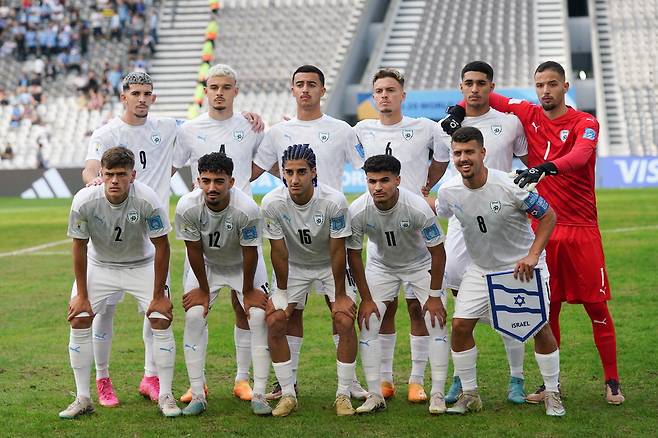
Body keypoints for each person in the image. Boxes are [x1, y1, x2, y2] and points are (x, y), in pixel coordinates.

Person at [442, 61, 624, 405]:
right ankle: (548, 386)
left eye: (552, 84)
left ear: (565, 86)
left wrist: (545, 167)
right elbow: (482, 95)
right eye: (540, 85)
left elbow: (582, 155)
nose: (545, 91)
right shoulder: (528, 113)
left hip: (581, 227)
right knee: (545, 311)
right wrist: (455, 109)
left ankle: (612, 380)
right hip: (540, 229)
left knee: (596, 306)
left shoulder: (586, 122)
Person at [253, 64, 366, 400]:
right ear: (292, 90)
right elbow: (256, 167)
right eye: (299, 84)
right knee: (291, 311)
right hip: (293, 232)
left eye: (312, 84)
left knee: (341, 310)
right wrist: (289, 182)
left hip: (331, 229)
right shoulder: (276, 133)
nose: (305, 90)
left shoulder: (342, 129)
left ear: (322, 90)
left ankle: (349, 382)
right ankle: (288, 381)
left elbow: (367, 168)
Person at [436, 127, 565, 417]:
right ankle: (470, 394)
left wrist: (532, 256)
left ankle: (553, 393)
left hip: (520, 268)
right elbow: (439, 211)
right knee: (459, 327)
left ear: (483, 153)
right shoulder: (449, 191)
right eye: (457, 153)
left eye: (469, 152)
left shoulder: (511, 184)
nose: (463, 158)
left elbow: (548, 215)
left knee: (539, 329)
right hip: (481, 270)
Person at [81, 71, 179, 407]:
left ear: (153, 97)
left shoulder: (167, 128)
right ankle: (102, 379)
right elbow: (91, 167)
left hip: (149, 237)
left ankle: (151, 377)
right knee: (101, 312)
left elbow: (210, 123)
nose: (141, 99)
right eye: (135, 93)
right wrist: (96, 182)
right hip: (109, 237)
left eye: (147, 93)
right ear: (123, 96)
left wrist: (248, 117)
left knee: (154, 311)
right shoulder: (107, 132)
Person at [60, 147, 180, 419]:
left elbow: (162, 246)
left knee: (160, 317)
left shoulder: (148, 200)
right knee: (79, 316)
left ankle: (166, 396)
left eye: (121, 175)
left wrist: (159, 293)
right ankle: (83, 397)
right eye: (109, 174)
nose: (115, 180)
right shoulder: (84, 200)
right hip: (100, 266)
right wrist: (81, 294)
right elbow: (78, 247)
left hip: (142, 265)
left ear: (133, 175)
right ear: (101, 174)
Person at [436, 61, 530, 405]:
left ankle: (516, 379)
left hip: (504, 220)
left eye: (480, 83)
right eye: (468, 83)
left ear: (491, 86)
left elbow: (524, 160)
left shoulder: (509, 123)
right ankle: (461, 379)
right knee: (462, 305)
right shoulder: (448, 127)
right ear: (460, 87)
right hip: (464, 224)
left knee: (511, 307)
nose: (474, 89)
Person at [353, 68, 449, 403]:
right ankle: (384, 381)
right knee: (384, 311)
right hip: (382, 239)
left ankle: (416, 380)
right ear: (373, 95)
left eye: (390, 90)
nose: (384, 96)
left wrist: (426, 187)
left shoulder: (424, 127)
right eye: (378, 90)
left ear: (402, 95)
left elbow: (442, 157)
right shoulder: (362, 130)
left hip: (416, 230)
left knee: (417, 308)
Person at [173, 64, 265, 403]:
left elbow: (262, 162)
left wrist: (237, 189)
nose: (219, 92)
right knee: (196, 310)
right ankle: (198, 385)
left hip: (240, 224)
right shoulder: (190, 129)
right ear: (206, 89)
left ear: (235, 91)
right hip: (204, 224)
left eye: (226, 87)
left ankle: (243, 379)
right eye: (214, 86)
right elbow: (170, 165)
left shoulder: (251, 126)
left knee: (247, 309)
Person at [347, 154, 449, 415]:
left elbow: (438, 252)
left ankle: (436, 392)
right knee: (369, 321)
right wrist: (366, 298)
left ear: (398, 180)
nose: (377, 187)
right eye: (371, 181)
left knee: (433, 320)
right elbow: (354, 255)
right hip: (382, 266)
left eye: (384, 180)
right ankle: (375, 393)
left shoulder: (416, 208)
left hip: (420, 264)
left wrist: (435, 296)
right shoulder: (358, 210)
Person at [261, 145, 358, 416]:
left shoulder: (334, 201)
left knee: (344, 319)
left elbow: (339, 249)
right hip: (294, 267)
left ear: (313, 172)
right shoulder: (272, 202)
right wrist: (280, 291)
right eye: (289, 173)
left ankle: (343, 393)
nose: (294, 179)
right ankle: (288, 392)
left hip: (329, 265)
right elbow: (278, 251)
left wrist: (339, 295)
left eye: (301, 172)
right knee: (276, 319)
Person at [175, 152, 271, 416]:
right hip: (206, 265)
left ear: (232, 181)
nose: (212, 187)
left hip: (243, 265)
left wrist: (249, 289)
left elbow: (250, 251)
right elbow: (193, 249)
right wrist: (204, 291)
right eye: (206, 180)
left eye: (219, 181)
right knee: (194, 316)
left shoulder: (247, 209)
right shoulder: (187, 206)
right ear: (197, 181)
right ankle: (197, 393)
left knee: (259, 316)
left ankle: (257, 392)